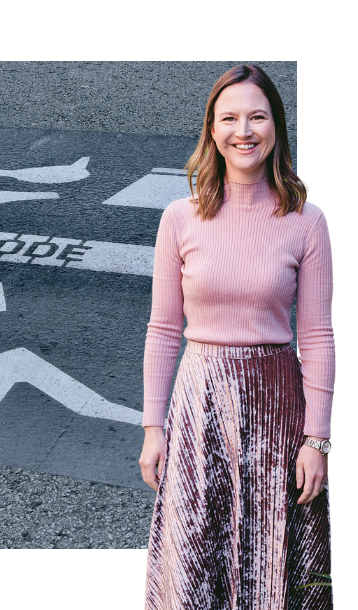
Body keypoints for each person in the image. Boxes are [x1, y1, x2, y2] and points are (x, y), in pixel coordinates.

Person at [138, 64, 334, 609]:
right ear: (212, 130)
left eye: (257, 116)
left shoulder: (306, 221)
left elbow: (316, 336)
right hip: (199, 411)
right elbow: (162, 329)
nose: (243, 130)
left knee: (275, 566)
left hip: (278, 411)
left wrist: (317, 440)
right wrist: (154, 428)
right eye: (229, 118)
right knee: (193, 562)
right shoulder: (180, 218)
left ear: (276, 126)